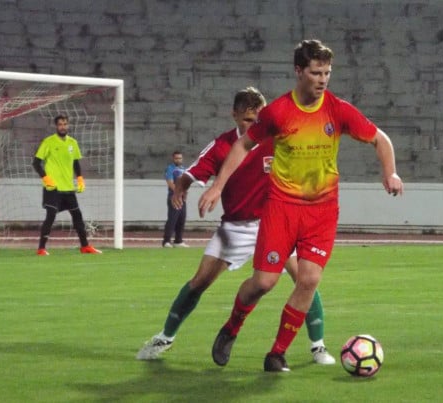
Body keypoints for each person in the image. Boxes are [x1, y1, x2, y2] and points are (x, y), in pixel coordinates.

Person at [199, 39, 404, 372]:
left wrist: (390, 172)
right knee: (264, 283)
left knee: (308, 280)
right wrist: (217, 186)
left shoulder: (338, 110)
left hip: (322, 212)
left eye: (327, 73)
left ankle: (276, 353)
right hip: (281, 208)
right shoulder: (278, 112)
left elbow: (380, 138)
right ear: (298, 71)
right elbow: (243, 145)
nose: (323, 80)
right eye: (316, 73)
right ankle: (232, 327)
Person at [136, 87, 335, 365]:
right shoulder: (222, 146)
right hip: (236, 227)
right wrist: (182, 187)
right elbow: (193, 171)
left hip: (275, 223)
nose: (254, 126)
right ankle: (165, 337)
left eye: (258, 120)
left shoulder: (277, 141)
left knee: (305, 279)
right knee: (200, 281)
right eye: (247, 120)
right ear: (235, 116)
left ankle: (318, 346)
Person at [32, 114, 102, 255]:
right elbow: (36, 163)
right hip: (53, 188)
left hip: (68, 188)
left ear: (68, 125)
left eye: (65, 124)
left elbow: (75, 163)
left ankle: (85, 246)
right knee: (51, 216)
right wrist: (46, 178)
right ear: (56, 126)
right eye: (60, 124)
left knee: (77, 216)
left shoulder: (73, 143)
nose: (63, 127)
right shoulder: (49, 142)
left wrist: (80, 178)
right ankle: (41, 248)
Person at [162, 150, 189, 247]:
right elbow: (170, 182)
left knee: (181, 218)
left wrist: (185, 193)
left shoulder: (184, 169)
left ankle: (178, 240)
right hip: (174, 196)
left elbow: (186, 183)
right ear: (173, 159)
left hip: (182, 197)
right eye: (176, 158)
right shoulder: (170, 168)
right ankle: (166, 241)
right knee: (172, 219)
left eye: (180, 158)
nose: (178, 160)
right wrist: (178, 192)